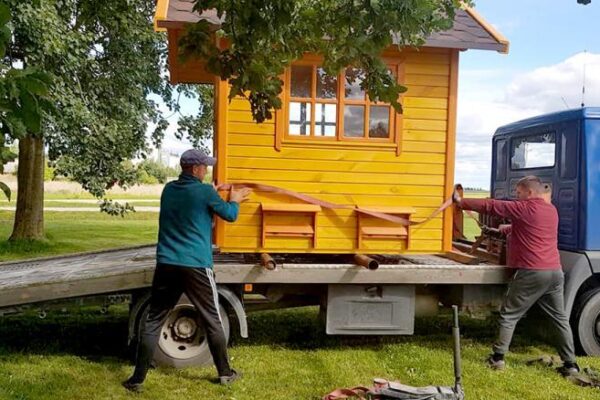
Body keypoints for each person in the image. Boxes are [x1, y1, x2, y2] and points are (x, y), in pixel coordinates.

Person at [123, 149, 251, 392]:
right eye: (204, 167)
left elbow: (192, 207)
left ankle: (137, 379)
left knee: (153, 320)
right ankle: (225, 373)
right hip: (195, 266)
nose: (207, 170)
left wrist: (211, 193)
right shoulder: (203, 192)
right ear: (194, 169)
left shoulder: (169, 190)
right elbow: (230, 215)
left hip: (167, 263)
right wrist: (234, 199)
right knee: (212, 318)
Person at [453, 175, 579, 376]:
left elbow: (492, 206)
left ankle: (498, 358)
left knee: (509, 314)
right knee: (559, 319)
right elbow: (530, 227)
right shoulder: (551, 211)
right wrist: (504, 229)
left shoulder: (524, 208)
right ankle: (570, 365)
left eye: (519, 193)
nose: (516, 197)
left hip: (532, 272)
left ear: (530, 193)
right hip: (555, 272)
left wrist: (461, 202)